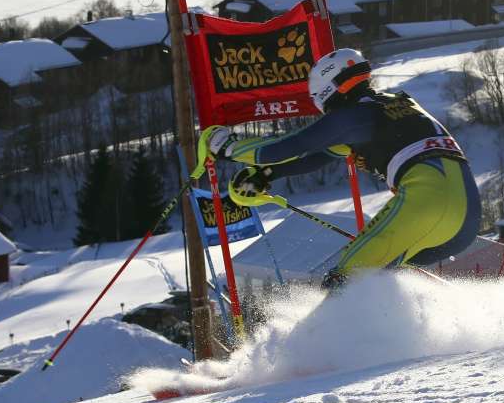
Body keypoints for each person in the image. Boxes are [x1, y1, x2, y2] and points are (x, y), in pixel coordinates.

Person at [202, 48, 481, 289]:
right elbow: (320, 156)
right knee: (378, 276)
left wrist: (227, 147)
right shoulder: (395, 105)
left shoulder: (352, 117)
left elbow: (288, 146)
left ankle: (334, 344)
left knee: (345, 278)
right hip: (466, 217)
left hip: (428, 200)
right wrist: (269, 174)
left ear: (327, 90)